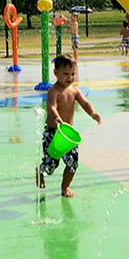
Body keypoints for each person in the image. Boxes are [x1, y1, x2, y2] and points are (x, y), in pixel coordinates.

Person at [37, 55, 102, 197]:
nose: (70, 77)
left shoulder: (75, 91)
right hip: (53, 132)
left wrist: (93, 113)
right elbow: (51, 107)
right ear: (55, 73)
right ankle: (40, 172)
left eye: (73, 74)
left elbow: (85, 103)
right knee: (51, 164)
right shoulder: (54, 90)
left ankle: (65, 186)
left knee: (73, 162)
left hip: (68, 134)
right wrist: (57, 117)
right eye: (66, 73)